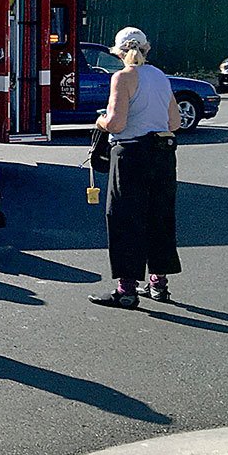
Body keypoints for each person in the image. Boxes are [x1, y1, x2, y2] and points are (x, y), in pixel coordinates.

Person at [89, 26, 181, 309]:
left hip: (131, 154)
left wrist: (100, 121)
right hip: (163, 154)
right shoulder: (160, 77)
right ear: (146, 49)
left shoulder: (123, 78)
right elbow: (175, 122)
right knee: (159, 216)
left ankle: (126, 289)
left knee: (125, 217)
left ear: (118, 52)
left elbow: (117, 123)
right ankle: (158, 284)